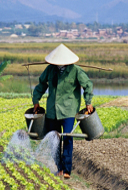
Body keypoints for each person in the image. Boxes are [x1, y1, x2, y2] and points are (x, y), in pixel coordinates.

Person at [32, 44, 93, 179]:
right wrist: (36, 100)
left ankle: (66, 170)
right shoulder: (49, 70)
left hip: (68, 110)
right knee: (54, 138)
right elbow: (41, 85)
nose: (59, 64)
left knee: (67, 138)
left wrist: (88, 102)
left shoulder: (76, 71)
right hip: (52, 111)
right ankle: (59, 167)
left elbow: (88, 85)